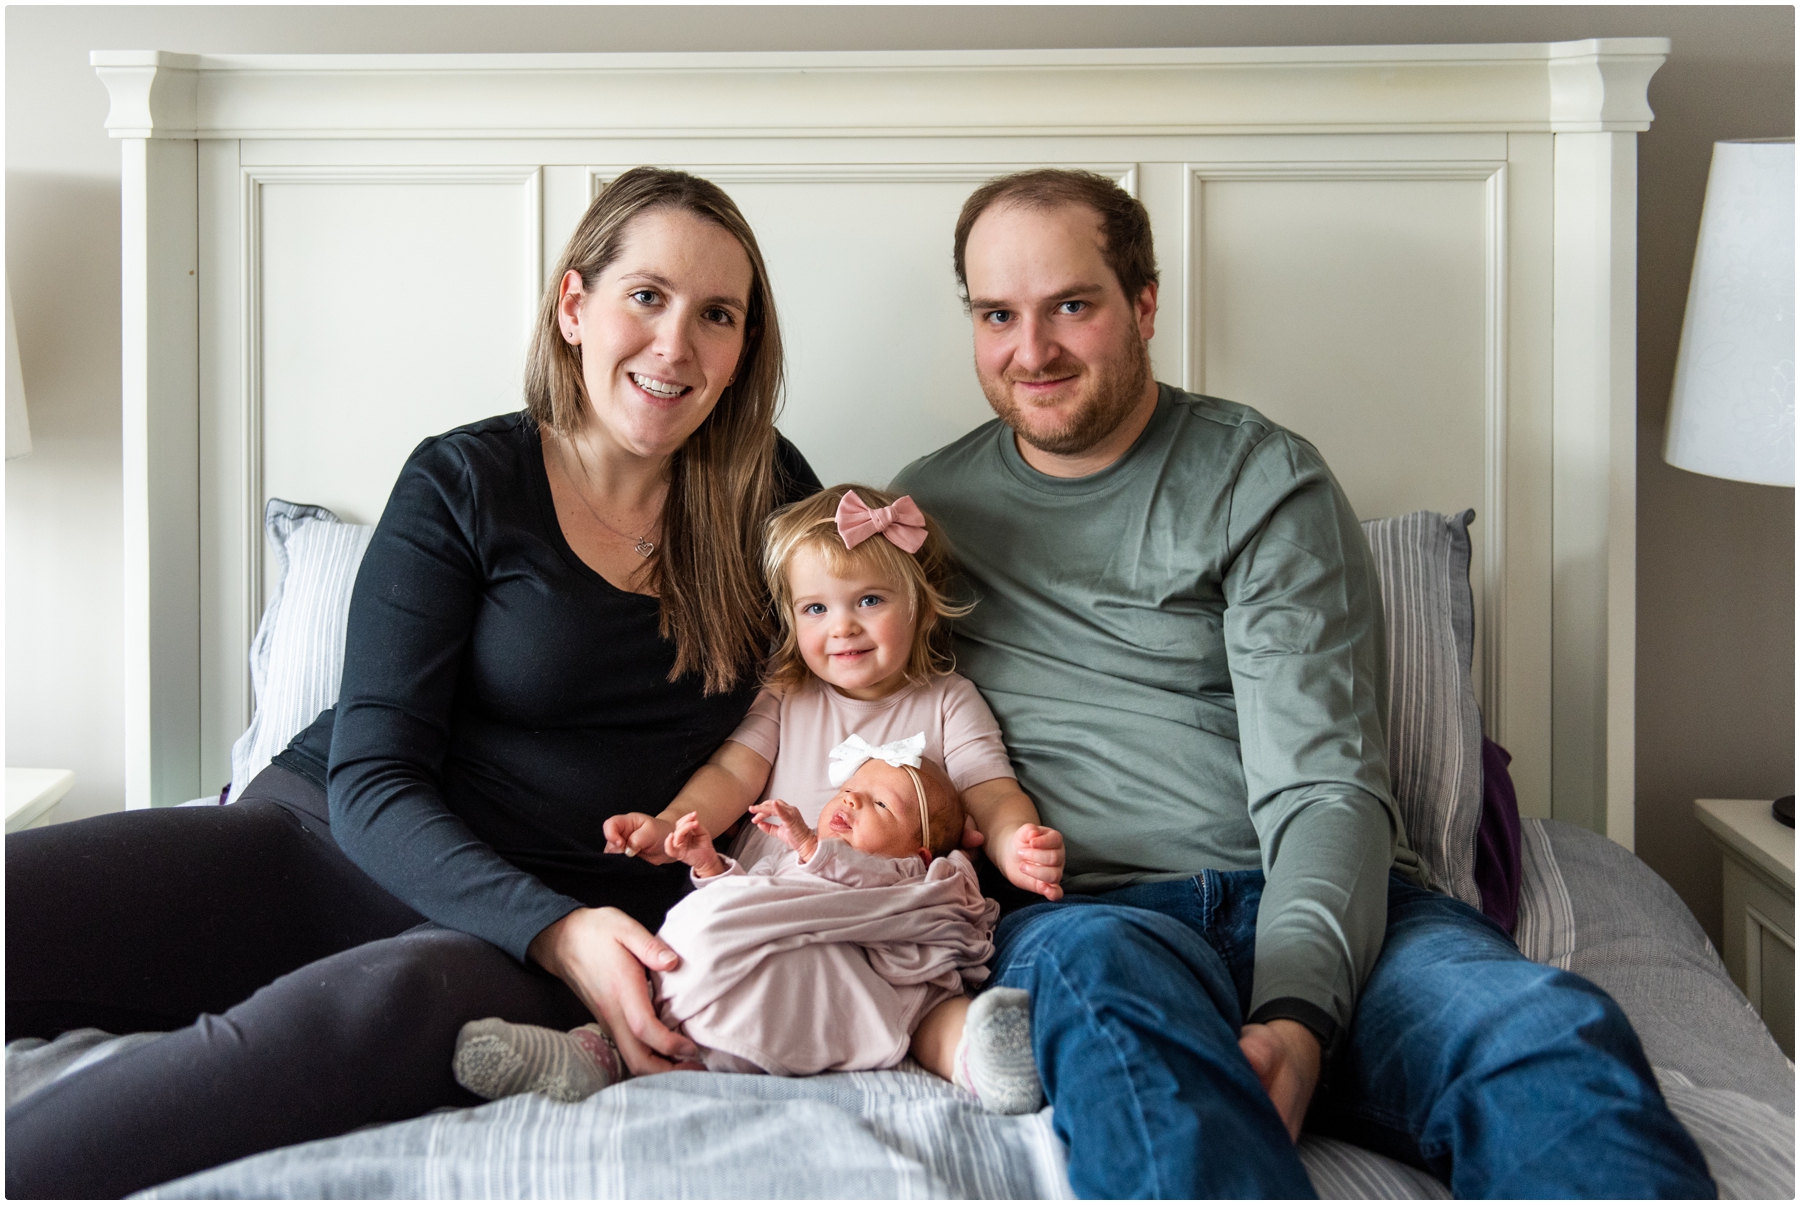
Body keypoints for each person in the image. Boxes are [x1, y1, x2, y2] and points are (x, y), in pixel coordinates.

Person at [892, 168, 1716, 1198]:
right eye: (996, 314)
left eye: (1071, 304)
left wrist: (1298, 1017)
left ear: (1143, 304)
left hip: (1334, 899)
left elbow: (1324, 782)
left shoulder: (1257, 477)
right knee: (1120, 1029)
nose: (1032, 350)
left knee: (1541, 1032)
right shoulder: (919, 517)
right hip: (1095, 916)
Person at [5, 167, 822, 1199]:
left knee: (360, 1013)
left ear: (745, 347)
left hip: (530, 931)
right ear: (575, 306)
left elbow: (859, 681)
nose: (676, 345)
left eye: (717, 315)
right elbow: (376, 776)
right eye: (646, 296)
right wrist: (556, 926)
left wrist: (568, 930)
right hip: (326, 839)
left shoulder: (772, 499)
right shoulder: (465, 480)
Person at [450, 484, 1065, 1114]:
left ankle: (977, 1055)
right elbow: (731, 775)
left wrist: (1017, 842)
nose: (843, 626)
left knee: (925, 1005)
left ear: (921, 608)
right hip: (773, 912)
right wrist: (668, 827)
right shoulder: (787, 694)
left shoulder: (946, 698)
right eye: (815, 609)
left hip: (883, 922)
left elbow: (991, 788)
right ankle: (597, 1052)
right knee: (683, 959)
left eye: (870, 600)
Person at [454, 743, 1042, 1113]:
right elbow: (753, 900)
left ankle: (981, 1057)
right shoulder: (796, 857)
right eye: (849, 792)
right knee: (662, 970)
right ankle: (588, 1055)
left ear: (918, 851)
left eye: (879, 806)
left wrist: (812, 845)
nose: (852, 803)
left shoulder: (910, 877)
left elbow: (862, 882)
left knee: (933, 1020)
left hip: (847, 977)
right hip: (765, 974)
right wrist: (708, 864)